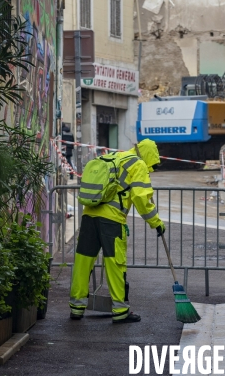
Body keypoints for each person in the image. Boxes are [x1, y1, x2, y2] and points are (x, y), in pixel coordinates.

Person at [69, 138, 165, 323]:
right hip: (111, 221)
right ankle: (120, 311)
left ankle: (76, 307)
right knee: (115, 265)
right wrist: (156, 222)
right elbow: (141, 197)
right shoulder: (137, 164)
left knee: (82, 262)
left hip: (89, 216)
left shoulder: (116, 157)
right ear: (148, 156)